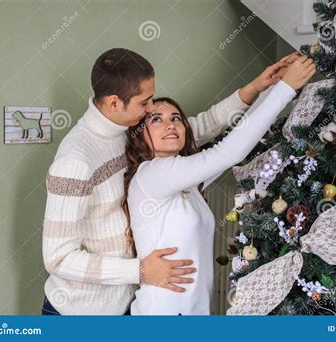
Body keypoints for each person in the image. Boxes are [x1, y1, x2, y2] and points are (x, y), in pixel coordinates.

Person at [41, 47, 300, 315]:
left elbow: (193, 130)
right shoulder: (75, 161)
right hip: (78, 313)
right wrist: (139, 270)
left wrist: (258, 88)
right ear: (114, 103)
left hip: (128, 302)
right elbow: (58, 258)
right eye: (145, 104)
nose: (152, 108)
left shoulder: (130, 126)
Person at [123, 56, 316, 315]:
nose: (170, 124)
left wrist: (267, 87)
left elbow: (224, 153)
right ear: (139, 137)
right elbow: (228, 153)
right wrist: (285, 89)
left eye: (176, 118)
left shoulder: (183, 179)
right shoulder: (153, 173)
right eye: (156, 119)